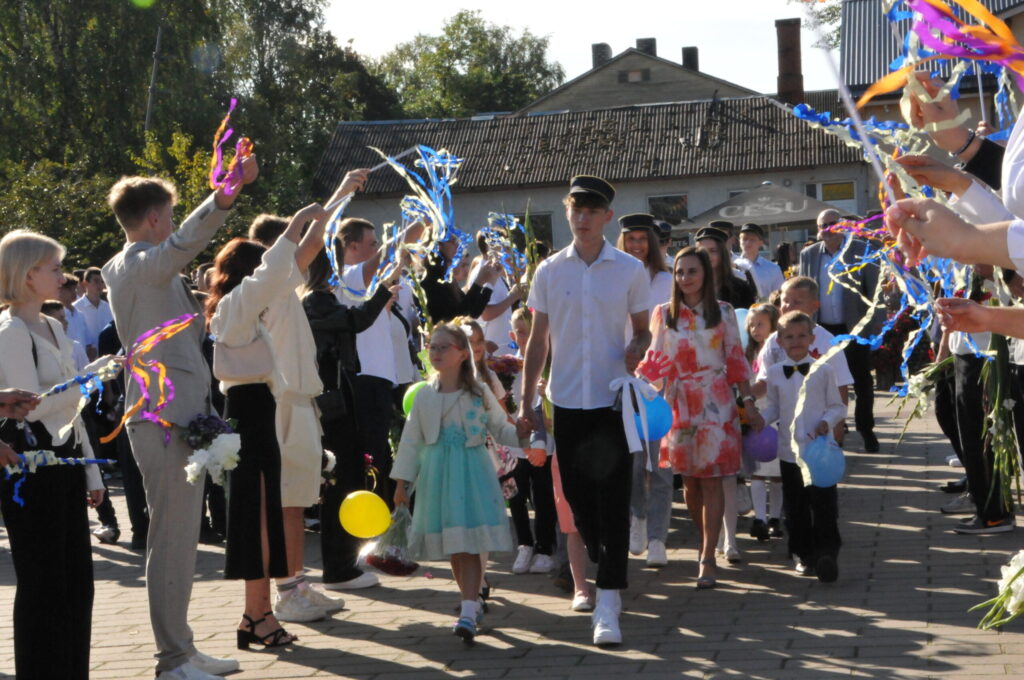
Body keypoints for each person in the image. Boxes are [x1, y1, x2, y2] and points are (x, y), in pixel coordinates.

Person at [102, 158, 257, 680]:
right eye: (169, 215)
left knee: (181, 538)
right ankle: (171, 660)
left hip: (185, 416)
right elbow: (182, 244)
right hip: (162, 419)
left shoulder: (151, 267)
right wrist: (224, 195)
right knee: (170, 541)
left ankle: (183, 649)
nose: (172, 224)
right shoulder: (137, 263)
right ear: (152, 220)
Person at [518, 175, 651, 646]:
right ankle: (599, 550)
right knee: (575, 497)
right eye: (576, 209)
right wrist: (527, 398)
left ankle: (609, 602)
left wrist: (639, 345)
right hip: (567, 399)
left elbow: (643, 329)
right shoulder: (550, 270)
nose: (583, 217)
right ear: (568, 211)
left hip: (613, 398)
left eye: (593, 211)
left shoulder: (630, 270)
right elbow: (538, 339)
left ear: (607, 217)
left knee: (614, 500)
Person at [245, 170, 368, 623]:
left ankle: (296, 583)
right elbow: (314, 241)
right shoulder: (264, 290)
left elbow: (312, 244)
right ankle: (284, 591)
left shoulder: (284, 290)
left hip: (300, 403)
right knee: (283, 504)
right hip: (281, 404)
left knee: (296, 501)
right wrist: (340, 192)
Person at [207, 203, 327, 652]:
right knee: (254, 520)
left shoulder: (240, 308)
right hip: (250, 413)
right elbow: (274, 269)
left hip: (255, 409)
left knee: (261, 519)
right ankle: (256, 614)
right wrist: (297, 222)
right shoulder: (238, 305)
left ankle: (258, 613)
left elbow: (279, 269)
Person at [0, 230, 118, 680]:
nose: (61, 275)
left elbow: (72, 412)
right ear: (28, 275)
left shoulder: (51, 325)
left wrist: (91, 473)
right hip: (29, 469)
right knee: (43, 585)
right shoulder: (10, 331)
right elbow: (28, 406)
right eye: (53, 268)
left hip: (64, 462)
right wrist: (88, 379)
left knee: (75, 583)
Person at [392, 323, 529, 644]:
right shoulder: (424, 394)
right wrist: (402, 483)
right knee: (455, 544)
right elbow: (411, 441)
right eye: (432, 346)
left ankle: (469, 608)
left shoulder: (478, 392)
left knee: (471, 542)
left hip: (473, 472)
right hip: (437, 476)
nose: (435, 352)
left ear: (461, 354)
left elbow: (500, 428)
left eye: (443, 347)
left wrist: (524, 431)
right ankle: (470, 602)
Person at [644, 246, 762, 589]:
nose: (685, 278)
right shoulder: (663, 314)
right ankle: (703, 540)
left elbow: (737, 360)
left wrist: (749, 401)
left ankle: (708, 555)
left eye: (692, 271)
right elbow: (654, 363)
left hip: (716, 402)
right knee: (690, 483)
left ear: (705, 275)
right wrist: (641, 382)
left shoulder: (723, 312)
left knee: (712, 478)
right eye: (679, 272)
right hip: (678, 402)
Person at [303, 249, 395, 590]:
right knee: (341, 481)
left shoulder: (316, 301)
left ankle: (345, 561)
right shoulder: (314, 302)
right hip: (333, 404)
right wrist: (384, 289)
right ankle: (339, 568)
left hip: (338, 398)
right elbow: (356, 321)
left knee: (345, 478)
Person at [758, 311, 848, 581]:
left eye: (801, 335)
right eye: (789, 336)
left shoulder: (824, 369)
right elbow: (774, 407)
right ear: (779, 341)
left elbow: (837, 405)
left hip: (819, 451)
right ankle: (802, 554)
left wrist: (826, 422)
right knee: (795, 507)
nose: (795, 341)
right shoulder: (774, 373)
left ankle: (827, 553)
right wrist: (759, 421)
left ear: (811, 338)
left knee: (823, 504)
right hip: (789, 453)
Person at [616, 213, 673, 566]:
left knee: (662, 463)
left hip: (664, 380)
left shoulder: (667, 279)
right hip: (625, 378)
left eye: (643, 239)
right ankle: (636, 518)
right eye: (630, 239)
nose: (637, 245)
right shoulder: (615, 274)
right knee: (635, 462)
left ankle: (658, 538)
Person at [798, 209, 882, 453]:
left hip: (854, 327)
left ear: (843, 226)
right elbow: (804, 291)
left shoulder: (861, 250)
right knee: (824, 382)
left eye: (832, 224)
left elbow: (874, 290)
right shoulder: (809, 255)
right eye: (822, 225)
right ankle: (834, 426)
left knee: (862, 381)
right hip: (821, 329)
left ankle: (866, 430)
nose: (827, 229)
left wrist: (877, 323)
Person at [744, 303, 784, 541]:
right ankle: (759, 517)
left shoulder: (778, 352)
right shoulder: (747, 354)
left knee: (777, 473)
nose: (755, 329)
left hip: (776, 413)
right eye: (751, 325)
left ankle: (775, 517)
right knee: (757, 471)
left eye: (760, 324)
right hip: (754, 415)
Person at [694, 226, 756, 309]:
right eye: (703, 251)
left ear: (722, 253)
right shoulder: (691, 286)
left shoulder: (740, 288)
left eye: (712, 251)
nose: (707, 255)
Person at [735, 223, 785, 302]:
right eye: (744, 239)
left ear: (761, 242)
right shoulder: (733, 265)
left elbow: (780, 296)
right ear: (739, 241)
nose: (748, 242)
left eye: (752, 239)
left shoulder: (773, 268)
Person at [72, 267, 113, 361]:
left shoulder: (108, 307)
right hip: (86, 360)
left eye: (102, 282)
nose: (100, 285)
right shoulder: (76, 308)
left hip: (108, 358)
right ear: (85, 283)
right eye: (96, 281)